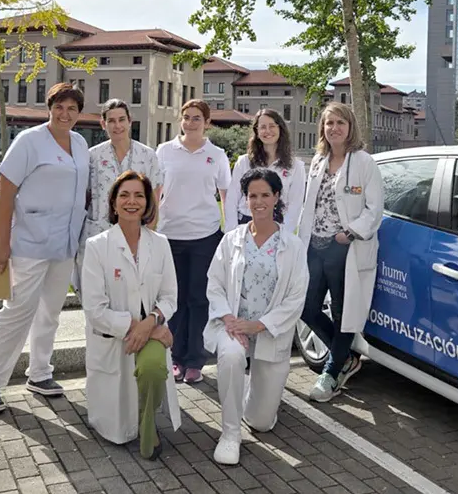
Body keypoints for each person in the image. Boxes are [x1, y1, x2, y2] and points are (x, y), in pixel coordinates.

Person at [0, 83, 90, 414]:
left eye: (72, 108)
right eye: (59, 107)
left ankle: (40, 373)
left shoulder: (80, 143)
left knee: (50, 313)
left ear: (79, 113)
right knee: (16, 313)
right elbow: (4, 195)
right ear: (49, 108)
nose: (65, 114)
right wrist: (2, 245)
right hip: (29, 244)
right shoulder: (29, 141)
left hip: (65, 244)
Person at [205, 168, 309, 465]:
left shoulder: (292, 246)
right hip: (233, 326)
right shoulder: (231, 240)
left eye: (265, 195)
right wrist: (229, 319)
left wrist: (259, 325)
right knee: (231, 357)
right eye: (252, 196)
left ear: (276, 197)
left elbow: (296, 298)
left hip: (269, 331)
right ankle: (230, 433)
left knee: (261, 423)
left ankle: (252, 395)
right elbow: (215, 284)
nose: (258, 202)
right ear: (245, 200)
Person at [81, 171, 180, 460]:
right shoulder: (97, 246)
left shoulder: (160, 243)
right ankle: (132, 418)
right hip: (115, 336)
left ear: (148, 203)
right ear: (113, 203)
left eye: (139, 195)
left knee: (153, 369)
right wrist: (142, 328)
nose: (131, 201)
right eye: (124, 195)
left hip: (150, 328)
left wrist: (151, 323)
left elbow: (170, 297)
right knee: (116, 426)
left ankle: (149, 427)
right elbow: (94, 309)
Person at [297, 101, 384, 403]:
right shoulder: (318, 160)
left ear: (350, 127)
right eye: (329, 123)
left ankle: (332, 373)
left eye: (340, 123)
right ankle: (344, 354)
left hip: (345, 247)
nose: (334, 128)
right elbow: (310, 204)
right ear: (322, 128)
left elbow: (374, 209)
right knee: (306, 307)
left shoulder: (363, 162)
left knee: (342, 312)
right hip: (315, 245)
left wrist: (349, 233)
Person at [156, 100, 231, 384]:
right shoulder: (164, 151)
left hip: (205, 237)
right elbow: (156, 192)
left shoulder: (217, 155)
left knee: (199, 300)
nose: (190, 123)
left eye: (197, 118)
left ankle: (195, 361)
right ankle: (175, 357)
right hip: (170, 235)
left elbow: (226, 194)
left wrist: (229, 230)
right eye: (186, 117)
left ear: (207, 122)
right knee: (173, 300)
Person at [74, 99, 162, 295]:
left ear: (130, 121)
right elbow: (83, 198)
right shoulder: (92, 157)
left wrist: (148, 236)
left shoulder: (147, 156)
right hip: (97, 233)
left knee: (130, 295)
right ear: (103, 124)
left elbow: (154, 201)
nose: (117, 126)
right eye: (111, 121)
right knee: (94, 295)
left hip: (135, 235)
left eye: (122, 120)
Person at [224, 108, 306, 232]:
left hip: (277, 225)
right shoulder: (244, 162)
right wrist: (232, 232)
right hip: (245, 223)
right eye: (262, 127)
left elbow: (295, 205)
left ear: (280, 128)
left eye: (272, 126)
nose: (267, 131)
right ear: (256, 131)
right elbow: (232, 199)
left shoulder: (296, 166)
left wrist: (284, 235)